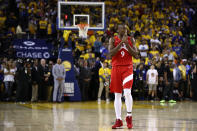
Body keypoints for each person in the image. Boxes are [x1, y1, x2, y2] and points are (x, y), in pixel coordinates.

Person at [108, 24, 139, 129]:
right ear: (118, 30)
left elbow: (136, 54)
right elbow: (111, 53)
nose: (125, 30)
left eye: (126, 28)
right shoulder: (112, 39)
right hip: (116, 68)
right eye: (123, 28)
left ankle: (129, 117)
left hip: (128, 68)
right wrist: (121, 43)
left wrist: (127, 44)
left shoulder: (131, 39)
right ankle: (118, 119)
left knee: (127, 92)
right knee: (117, 95)